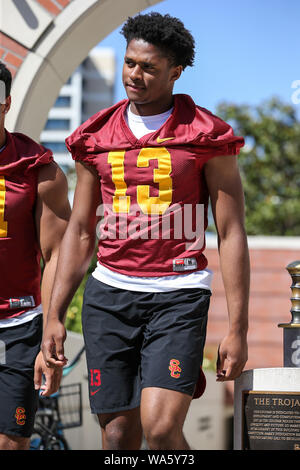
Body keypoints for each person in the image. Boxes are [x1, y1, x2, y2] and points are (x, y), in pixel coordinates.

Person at [42, 12, 250, 450]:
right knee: (117, 437)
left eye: (149, 67)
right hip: (110, 295)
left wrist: (238, 328)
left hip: (178, 293)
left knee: (158, 431)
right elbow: (81, 231)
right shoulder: (95, 136)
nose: (135, 75)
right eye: (130, 63)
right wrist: (54, 315)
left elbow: (231, 233)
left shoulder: (207, 136)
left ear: (175, 72)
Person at [0, 62, 70, 450]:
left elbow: (59, 251)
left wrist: (52, 326)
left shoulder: (37, 167)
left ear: (6, 103)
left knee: (11, 443)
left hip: (18, 324)